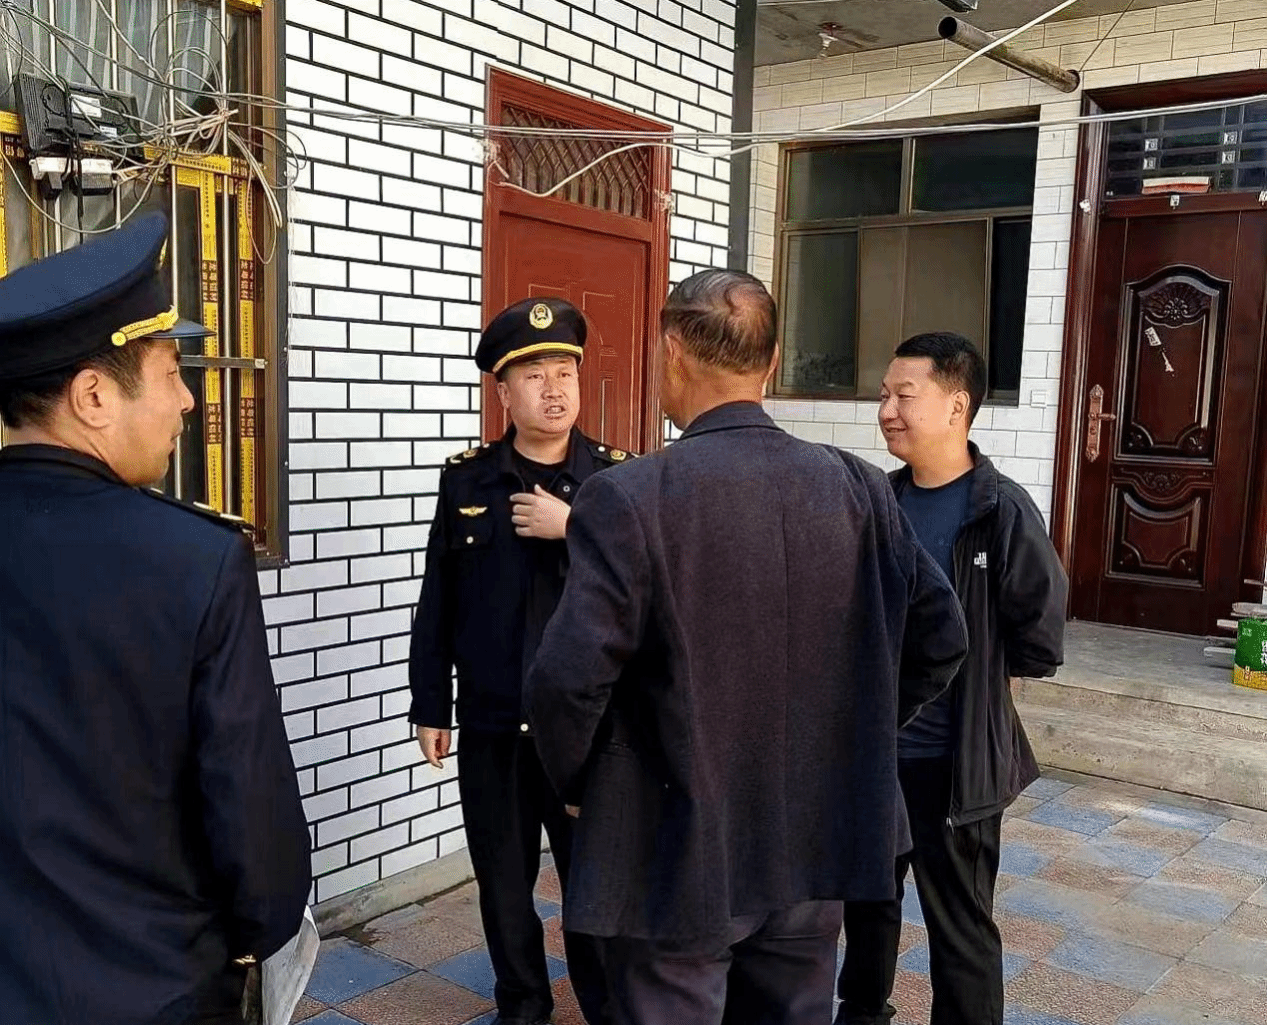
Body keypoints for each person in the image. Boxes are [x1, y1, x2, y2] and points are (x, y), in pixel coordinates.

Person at [524, 270, 970, 1026]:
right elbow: (942, 635)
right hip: (812, 836)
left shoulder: (631, 495)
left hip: (674, 843)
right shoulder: (859, 486)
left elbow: (567, 680)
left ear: (671, 352)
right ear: (771, 363)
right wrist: (852, 729)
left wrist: (580, 780)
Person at [0, 211, 311, 1024]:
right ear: (93, 396)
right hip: (155, 988)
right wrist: (258, 937)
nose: (188, 400)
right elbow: (252, 819)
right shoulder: (193, 560)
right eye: (171, 370)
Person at [837, 332, 1068, 1026]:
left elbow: (1038, 632)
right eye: (883, 395)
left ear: (957, 405)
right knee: (867, 907)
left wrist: (982, 699)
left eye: (904, 395)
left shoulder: (1000, 510)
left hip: (954, 766)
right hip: (876, 755)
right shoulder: (876, 500)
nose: (887, 410)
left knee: (960, 924)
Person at [408, 297, 621, 1026]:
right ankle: (523, 1005)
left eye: (565, 371)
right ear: (503, 392)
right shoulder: (467, 481)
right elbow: (439, 598)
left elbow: (647, 591)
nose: (554, 389)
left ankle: (604, 1006)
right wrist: (430, 703)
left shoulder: (614, 483)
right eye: (534, 376)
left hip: (586, 733)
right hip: (494, 723)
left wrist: (578, 526)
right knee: (503, 883)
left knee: (592, 884)